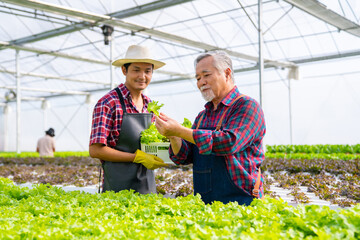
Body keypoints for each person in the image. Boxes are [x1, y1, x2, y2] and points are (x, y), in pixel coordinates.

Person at [155, 51, 266, 205]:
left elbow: (229, 142)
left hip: (242, 201)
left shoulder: (247, 106)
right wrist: (174, 137)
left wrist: (180, 130)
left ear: (227, 74)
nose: (201, 82)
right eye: (198, 78)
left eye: (206, 75)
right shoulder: (202, 116)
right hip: (206, 203)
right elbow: (184, 156)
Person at [89, 45, 167, 194]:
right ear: (124, 70)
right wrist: (136, 157)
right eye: (136, 70)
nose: (142, 76)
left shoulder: (150, 105)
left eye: (147, 71)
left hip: (147, 185)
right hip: (118, 187)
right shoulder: (108, 103)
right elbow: (95, 150)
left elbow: (153, 143)